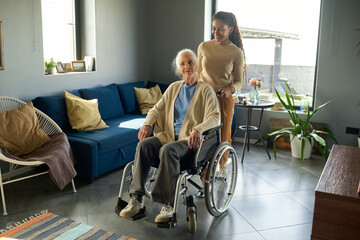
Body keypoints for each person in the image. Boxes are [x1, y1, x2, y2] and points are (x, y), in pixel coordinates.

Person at [119, 49, 220, 223]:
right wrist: (147, 124)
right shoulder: (174, 88)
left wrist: (199, 129)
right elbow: (156, 109)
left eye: (190, 62)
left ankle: (168, 204)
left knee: (167, 150)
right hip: (167, 136)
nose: (187, 66)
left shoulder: (205, 89)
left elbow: (215, 117)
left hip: (188, 141)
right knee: (144, 145)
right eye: (183, 63)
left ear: (197, 64)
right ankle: (137, 198)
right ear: (178, 69)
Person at [197, 11, 245, 161]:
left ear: (230, 29)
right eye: (214, 28)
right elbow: (198, 74)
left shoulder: (236, 52)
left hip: (222, 100)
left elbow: (238, 81)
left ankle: (220, 169)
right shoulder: (203, 47)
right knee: (200, 135)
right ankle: (201, 167)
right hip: (203, 99)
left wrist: (228, 89)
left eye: (221, 29)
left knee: (222, 139)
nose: (216, 33)